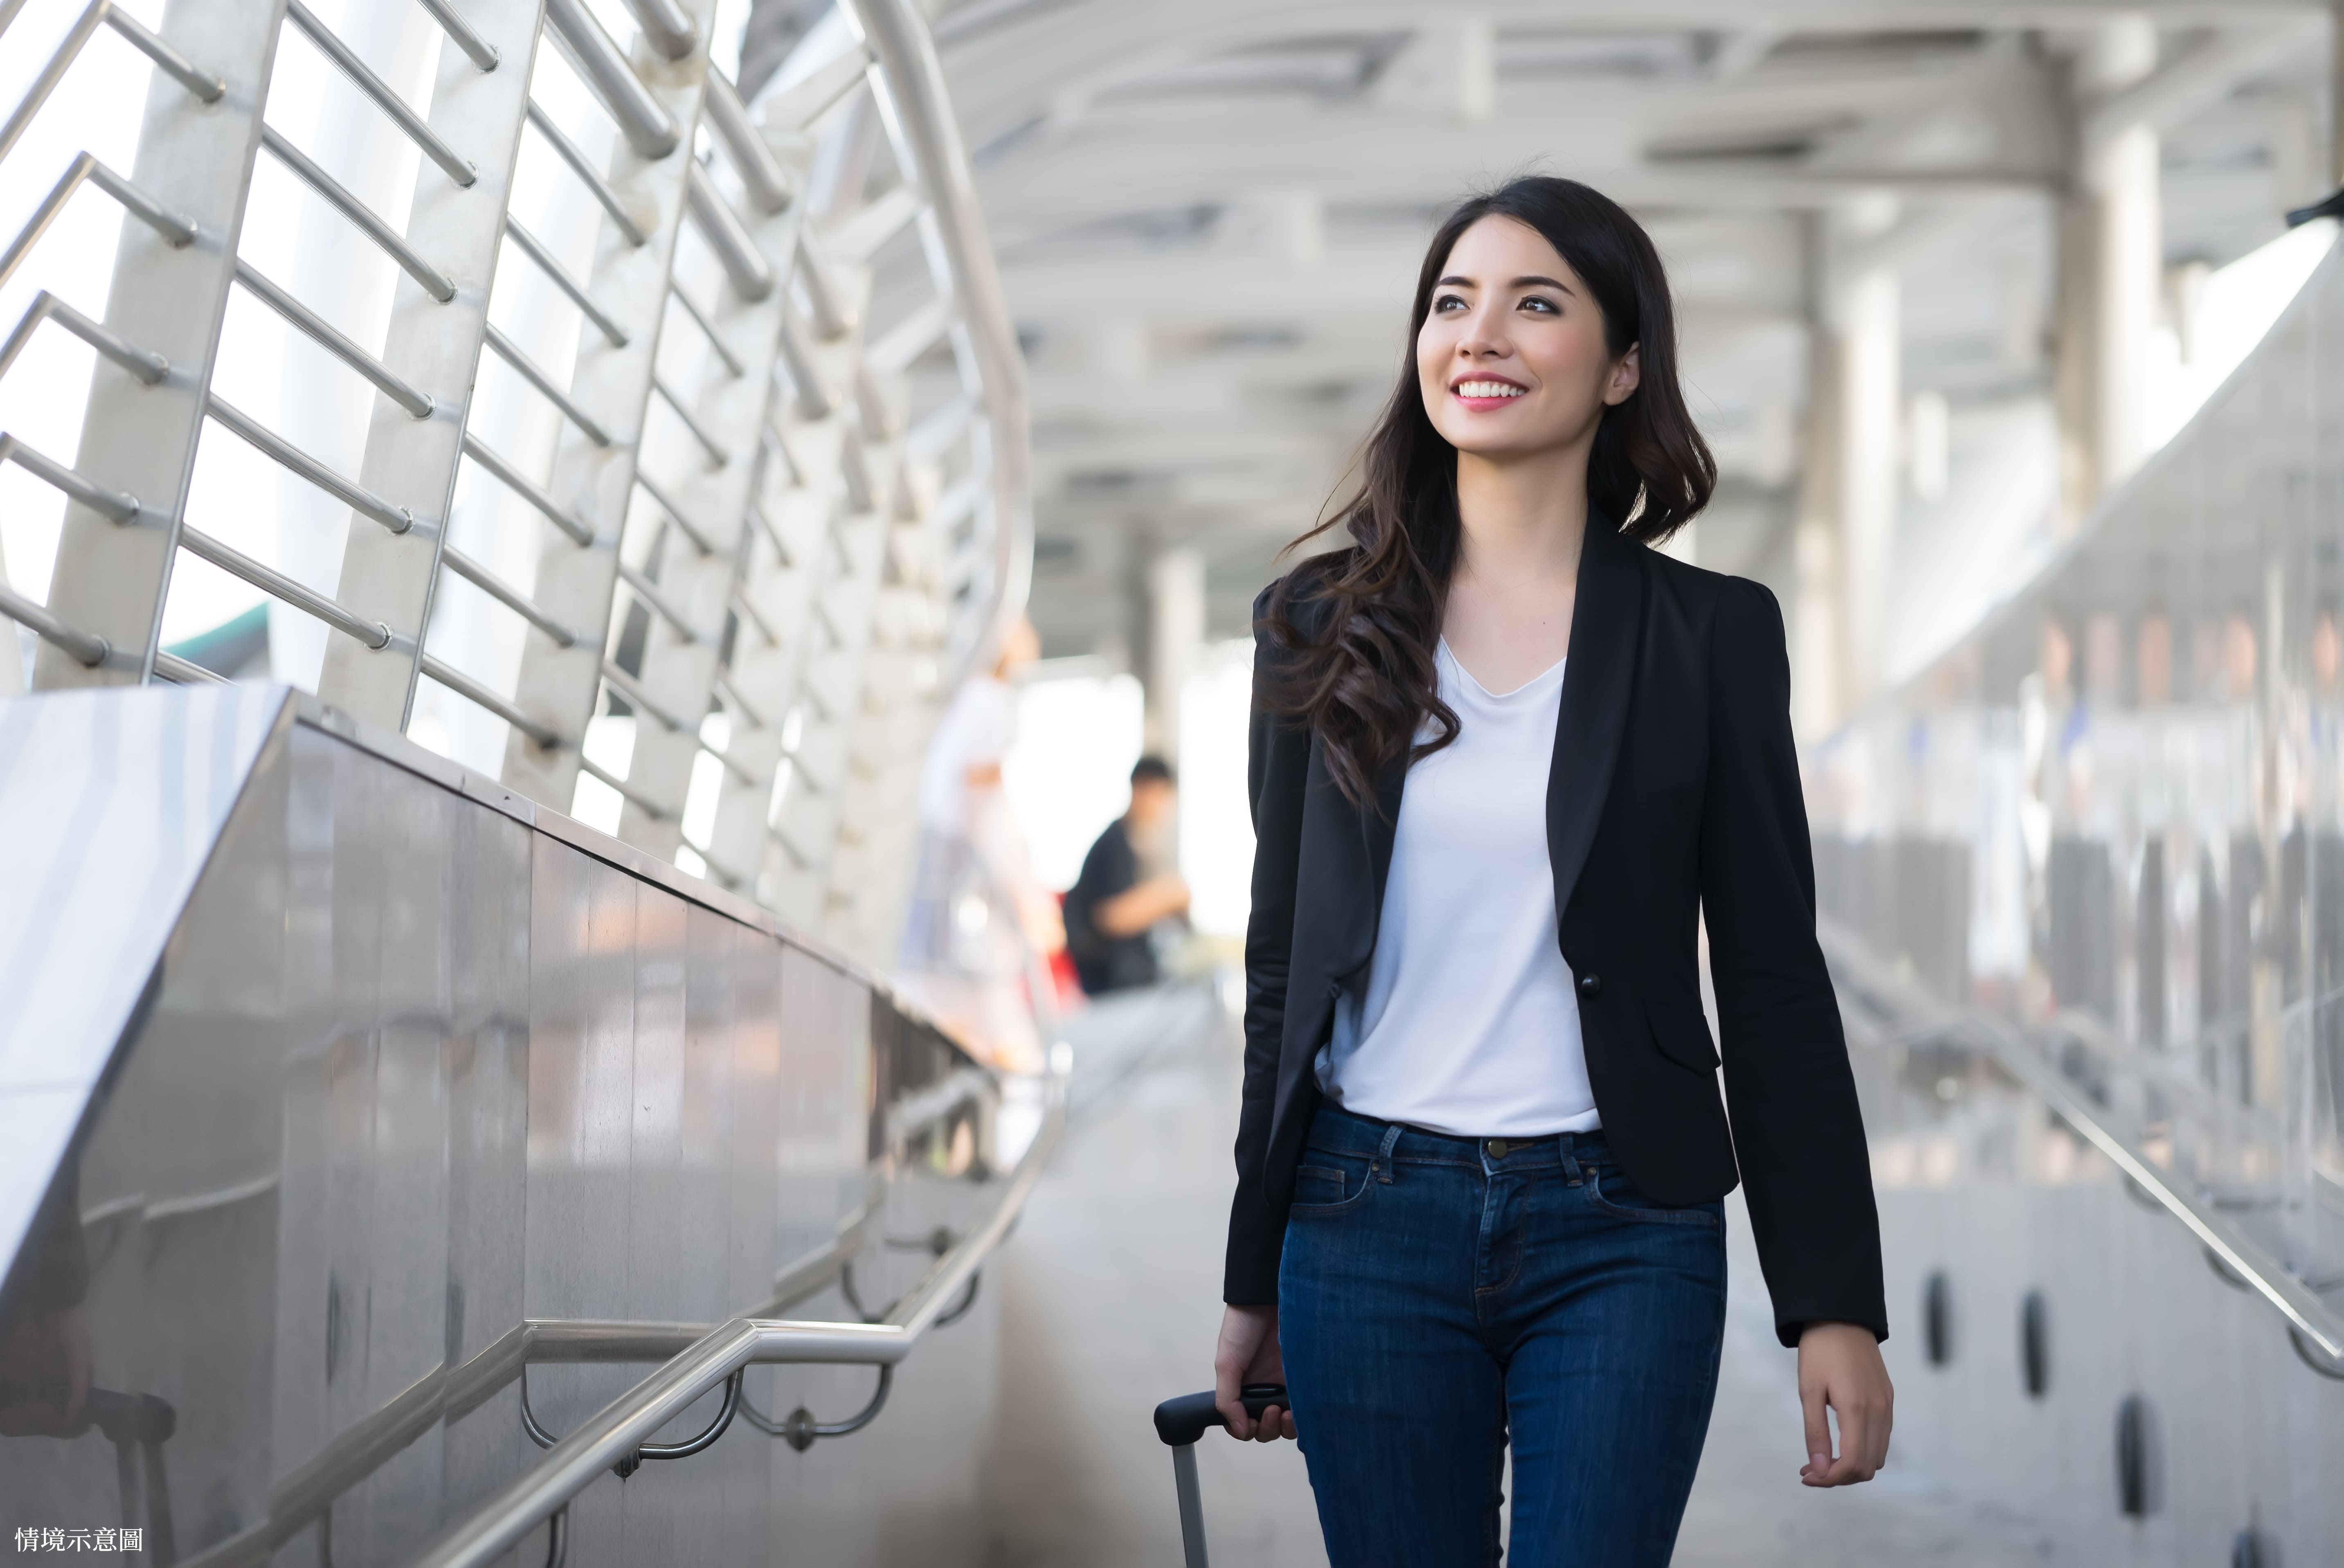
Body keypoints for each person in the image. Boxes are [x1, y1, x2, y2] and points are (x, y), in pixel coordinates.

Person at [1209, 176, 1892, 1566]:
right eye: (1451, 304)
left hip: (1622, 1226)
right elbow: (1281, 966)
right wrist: (1251, 1270)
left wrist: (1832, 1303)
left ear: (1621, 364)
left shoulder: (1708, 639)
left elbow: (1767, 976)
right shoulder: (1314, 626)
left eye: (1535, 304)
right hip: (1360, 1220)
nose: (1481, 336)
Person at [897, 617, 1062, 1070]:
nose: (1031, 632)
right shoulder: (991, 704)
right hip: (965, 908)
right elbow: (981, 809)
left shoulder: (967, 700)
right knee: (1011, 1049)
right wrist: (1027, 898)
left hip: (937, 908)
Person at [1062, 755, 1190, 995]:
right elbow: (1111, 918)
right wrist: (1165, 897)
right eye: (1159, 795)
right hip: (1106, 985)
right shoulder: (1114, 844)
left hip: (1131, 979)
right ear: (1141, 789)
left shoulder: (1140, 845)